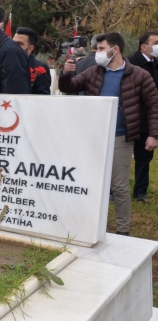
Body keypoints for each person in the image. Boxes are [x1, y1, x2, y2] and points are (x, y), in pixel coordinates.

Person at [59, 32, 158, 236]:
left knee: (119, 185)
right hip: (93, 136)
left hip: (120, 138)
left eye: (102, 49)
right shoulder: (94, 72)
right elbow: (69, 87)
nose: (97, 53)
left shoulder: (139, 75)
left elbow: (153, 106)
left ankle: (123, 230)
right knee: (90, 183)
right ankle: (91, 225)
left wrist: (153, 134)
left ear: (115, 49)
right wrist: (66, 73)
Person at [128, 31, 158, 203]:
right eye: (155, 42)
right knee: (121, 158)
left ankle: (140, 192)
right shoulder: (131, 63)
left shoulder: (155, 64)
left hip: (148, 121)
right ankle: (114, 190)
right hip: (130, 119)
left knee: (144, 158)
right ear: (143, 46)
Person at [13, 27, 51, 95]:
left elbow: (42, 96)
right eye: (13, 43)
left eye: (19, 44)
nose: (14, 46)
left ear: (30, 48)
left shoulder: (40, 68)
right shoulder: (4, 63)